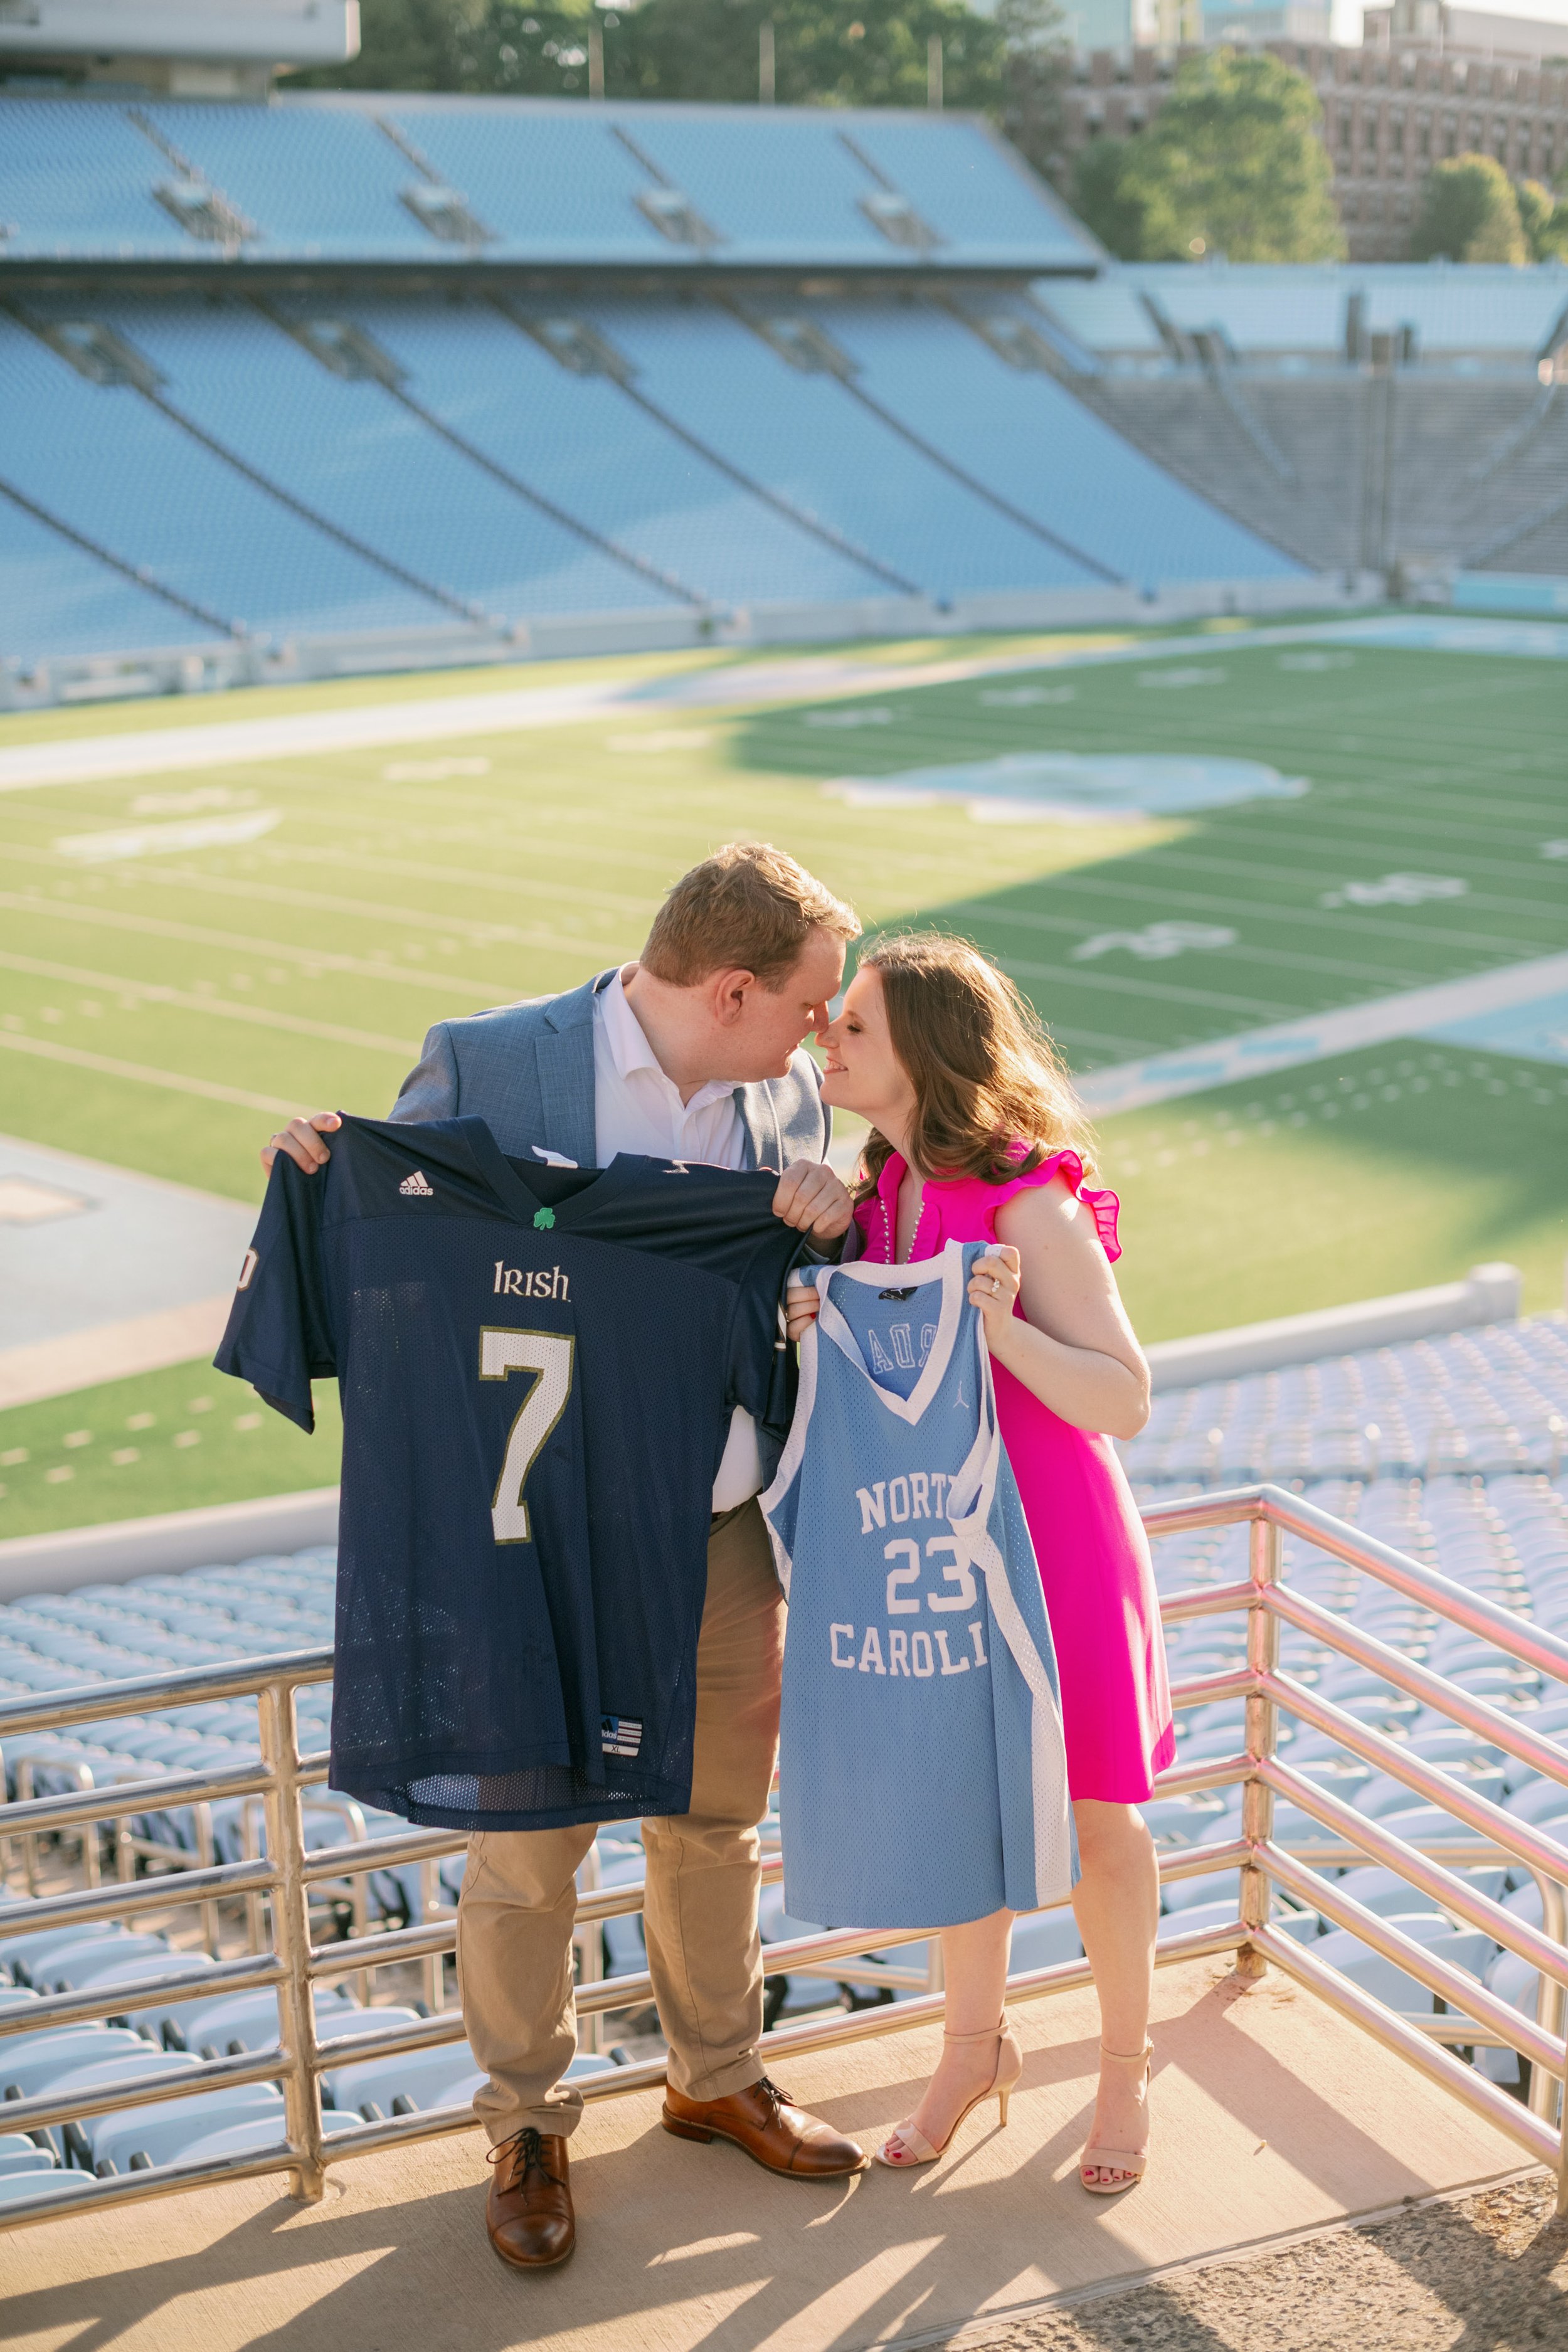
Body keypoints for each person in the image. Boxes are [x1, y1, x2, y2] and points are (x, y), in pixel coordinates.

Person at [262, 844, 869, 2272]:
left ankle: (713, 2075)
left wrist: (819, 1221)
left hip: (716, 1529)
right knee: (527, 1851)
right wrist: (316, 1177)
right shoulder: (483, 1064)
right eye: (806, 1003)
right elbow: (397, 1258)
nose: (819, 1037)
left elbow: (777, 1287)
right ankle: (524, 2121)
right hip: (532, 1537)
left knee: (712, 1818)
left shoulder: (776, 1095)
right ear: (730, 988)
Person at [785, 931, 1170, 2196]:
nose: (823, 1040)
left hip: (1050, 1535)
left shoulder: (1024, 1191)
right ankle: (969, 2053)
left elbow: (1120, 1396)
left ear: (922, 1052)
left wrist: (999, 1330)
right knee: (961, 1797)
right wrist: (816, 1312)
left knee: (1098, 1816)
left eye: (851, 1026)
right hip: (938, 1536)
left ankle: (1120, 2071)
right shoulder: (879, 1185)